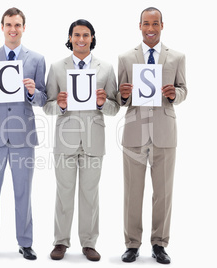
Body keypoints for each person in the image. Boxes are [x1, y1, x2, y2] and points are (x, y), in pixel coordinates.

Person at [0, 7, 46, 260]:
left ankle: (25, 242)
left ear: (24, 28)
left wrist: (33, 92)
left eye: (17, 25)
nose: (13, 29)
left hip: (23, 136)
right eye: (8, 25)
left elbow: (43, 99)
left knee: (23, 190)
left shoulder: (36, 59)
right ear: (1, 27)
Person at [43, 19, 119, 261]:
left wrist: (101, 103)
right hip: (65, 140)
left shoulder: (105, 68)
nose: (81, 39)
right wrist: (61, 106)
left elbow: (115, 107)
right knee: (63, 193)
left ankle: (88, 243)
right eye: (76, 35)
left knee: (90, 194)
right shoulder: (57, 67)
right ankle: (60, 242)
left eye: (86, 35)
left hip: (93, 140)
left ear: (92, 38)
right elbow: (47, 106)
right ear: (70, 38)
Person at [117, 7, 187, 264]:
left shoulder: (176, 57)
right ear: (139, 26)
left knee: (164, 193)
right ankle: (132, 244)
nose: (150, 28)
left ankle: (159, 244)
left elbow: (183, 90)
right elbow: (120, 99)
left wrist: (173, 95)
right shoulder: (126, 58)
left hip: (164, 132)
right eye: (146, 23)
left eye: (155, 23)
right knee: (132, 193)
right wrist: (123, 94)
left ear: (161, 25)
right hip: (135, 133)